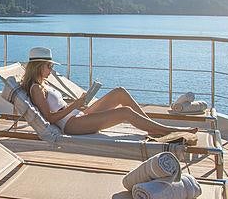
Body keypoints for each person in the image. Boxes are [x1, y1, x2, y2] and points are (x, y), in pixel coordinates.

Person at [21, 47, 198, 136]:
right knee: (125, 112)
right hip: (72, 125)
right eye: (49, 66)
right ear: (38, 66)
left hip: (76, 115)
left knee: (119, 92)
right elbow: (51, 118)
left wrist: (79, 105)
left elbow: (58, 108)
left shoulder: (43, 83)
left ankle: (150, 125)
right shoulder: (36, 88)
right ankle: (168, 131)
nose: (51, 69)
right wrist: (75, 104)